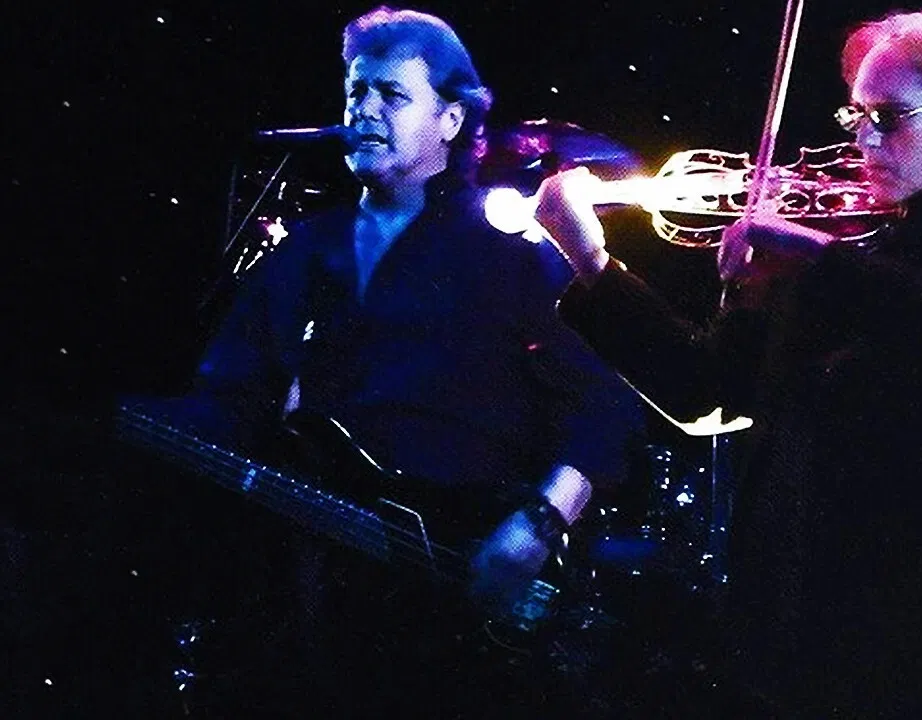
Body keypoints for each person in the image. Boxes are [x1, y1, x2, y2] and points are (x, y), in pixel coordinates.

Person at [534, 8, 922, 717]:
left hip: (909, 628)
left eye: (889, 117)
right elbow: (705, 392)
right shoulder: (834, 261)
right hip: (777, 623)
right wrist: (592, 263)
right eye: (857, 117)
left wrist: (812, 255)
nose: (864, 140)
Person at [132, 5, 642, 715]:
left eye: (392, 95)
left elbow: (605, 405)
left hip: (457, 605)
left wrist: (539, 524)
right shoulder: (308, 250)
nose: (364, 110)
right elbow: (230, 398)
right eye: (356, 91)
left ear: (452, 120)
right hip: (311, 594)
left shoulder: (513, 251)